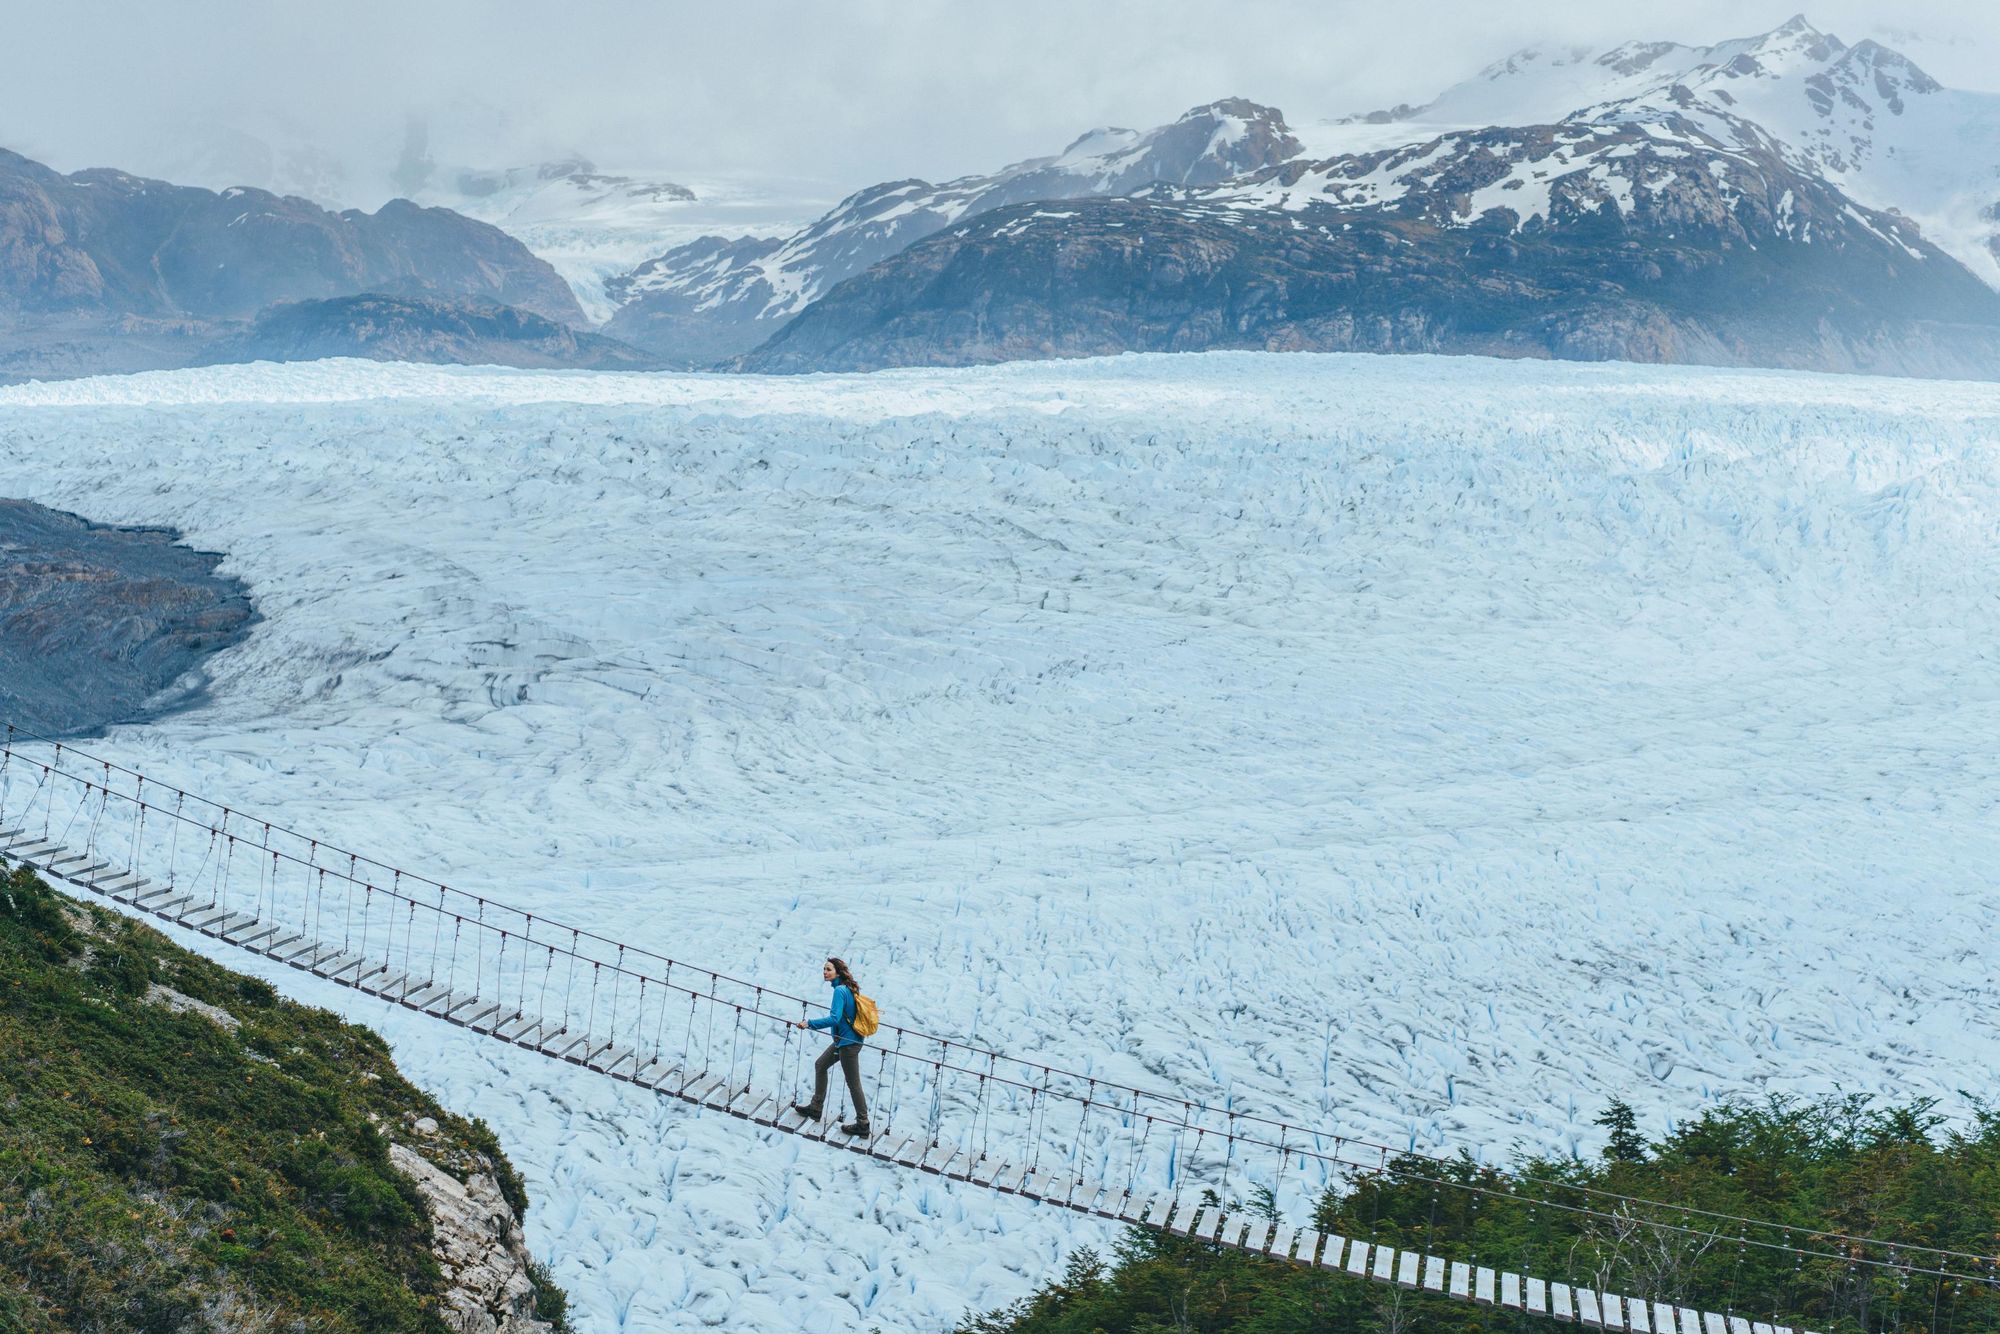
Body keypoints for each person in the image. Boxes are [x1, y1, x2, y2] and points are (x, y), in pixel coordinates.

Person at [792, 956, 871, 1136]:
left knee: (853, 1084)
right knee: (820, 1065)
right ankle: (815, 1107)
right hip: (843, 1041)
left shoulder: (840, 991)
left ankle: (863, 1123)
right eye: (824, 969)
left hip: (848, 1045)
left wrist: (809, 1023)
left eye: (828, 969)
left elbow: (834, 1018)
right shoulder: (846, 989)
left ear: (837, 972)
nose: (825, 973)